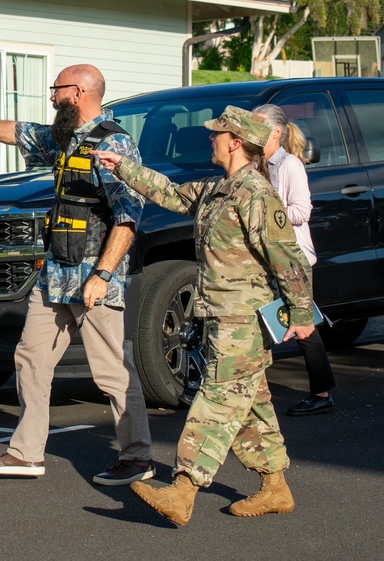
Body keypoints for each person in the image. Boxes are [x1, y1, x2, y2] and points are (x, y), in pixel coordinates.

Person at [92, 106, 314, 526]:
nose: (209, 138)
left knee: (215, 399)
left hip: (243, 320)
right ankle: (276, 487)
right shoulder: (220, 188)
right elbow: (173, 194)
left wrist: (302, 313)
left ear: (235, 143)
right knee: (249, 404)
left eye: (216, 134)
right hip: (219, 314)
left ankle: (184, 488)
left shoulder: (257, 196)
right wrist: (123, 167)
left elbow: (289, 260)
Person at [0, 64, 154, 485]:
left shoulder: (113, 143)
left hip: (95, 275)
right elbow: (19, 131)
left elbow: (128, 216)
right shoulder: (63, 138)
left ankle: (137, 457)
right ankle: (26, 454)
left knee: (111, 369)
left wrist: (104, 274)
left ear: (77, 92)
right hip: (56, 271)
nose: (51, 96)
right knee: (31, 357)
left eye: (56, 89)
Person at [253, 104, 337, 416]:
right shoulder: (260, 163)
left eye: (258, 125)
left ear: (275, 132)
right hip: (269, 254)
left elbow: (302, 211)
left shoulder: (289, 165)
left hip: (293, 257)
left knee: (303, 325)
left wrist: (265, 216)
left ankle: (321, 393)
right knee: (271, 318)